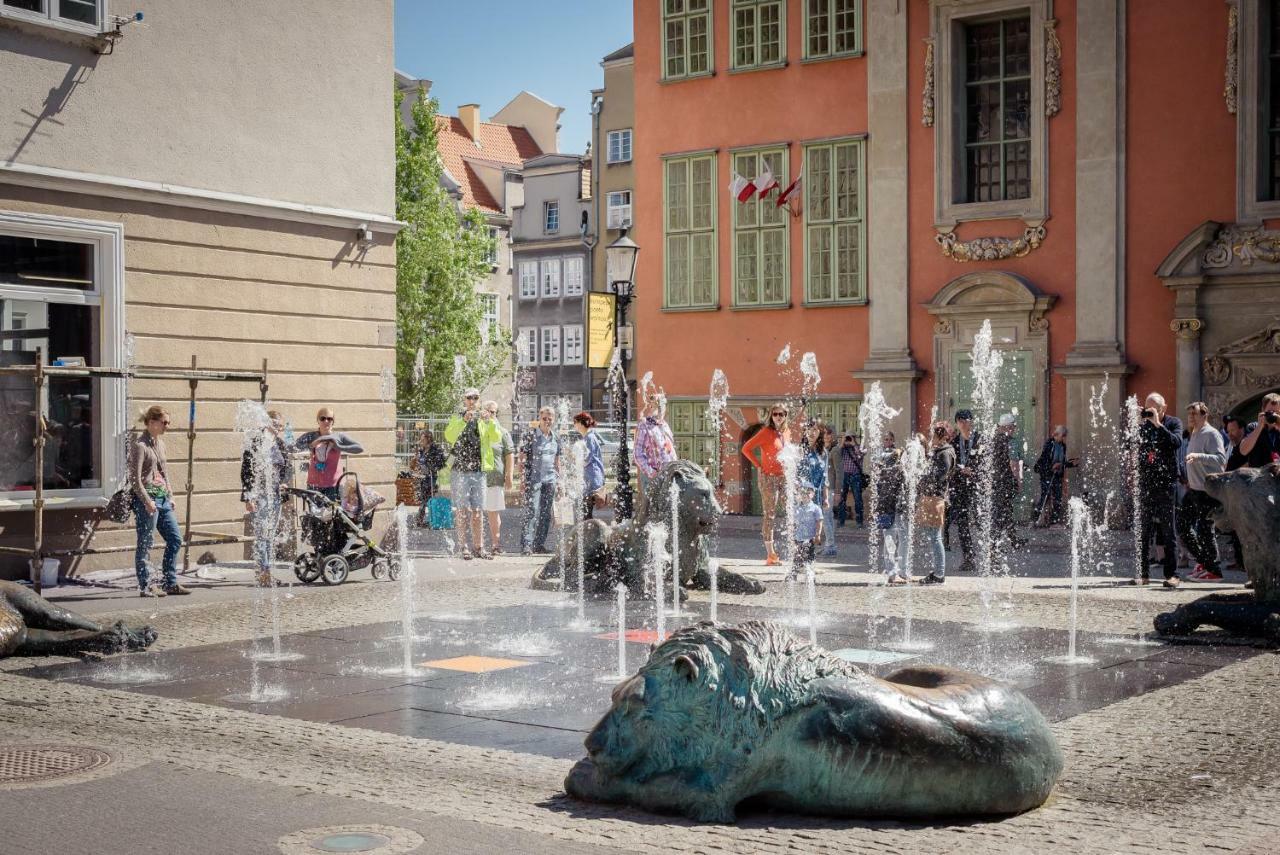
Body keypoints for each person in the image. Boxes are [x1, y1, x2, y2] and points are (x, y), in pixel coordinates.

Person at [129, 406, 188, 597]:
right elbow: (135, 479)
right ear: (152, 423)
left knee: (175, 539)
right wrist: (147, 501)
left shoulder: (160, 444)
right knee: (146, 543)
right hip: (148, 499)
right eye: (164, 422)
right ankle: (145, 586)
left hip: (162, 498)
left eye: (168, 422)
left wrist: (170, 494)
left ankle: (169, 582)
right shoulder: (140, 445)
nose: (167, 426)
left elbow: (164, 471)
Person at [444, 388, 500, 560]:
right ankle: (463, 546)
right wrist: (462, 421)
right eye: (469, 398)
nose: (472, 401)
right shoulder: (457, 416)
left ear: (479, 400)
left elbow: (496, 437)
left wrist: (490, 421)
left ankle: (479, 547)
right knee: (462, 511)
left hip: (478, 471)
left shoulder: (485, 418)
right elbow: (449, 436)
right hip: (460, 471)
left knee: (477, 511)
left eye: (475, 398)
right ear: (464, 400)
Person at [1135, 393, 1184, 587]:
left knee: (1168, 529)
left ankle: (1172, 574)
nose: (1149, 412)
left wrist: (1158, 424)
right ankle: (1143, 574)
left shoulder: (1173, 423)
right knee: (1144, 529)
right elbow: (1133, 445)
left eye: (1153, 408)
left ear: (1163, 407)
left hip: (1166, 483)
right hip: (1147, 482)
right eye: (1147, 408)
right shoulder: (1144, 426)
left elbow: (1176, 442)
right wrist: (1135, 423)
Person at [241, 409, 292, 587]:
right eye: (274, 424)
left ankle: (266, 571)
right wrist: (248, 498)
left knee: (269, 535)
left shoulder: (280, 444)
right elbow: (246, 472)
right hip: (260, 496)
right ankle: (263, 572)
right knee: (263, 534)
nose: (277, 428)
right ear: (266, 424)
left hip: (276, 496)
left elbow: (286, 468)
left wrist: (284, 482)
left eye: (280, 425)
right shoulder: (255, 442)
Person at [1180, 402, 1228, 582]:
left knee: (1205, 530)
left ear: (1204, 415)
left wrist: (1199, 457)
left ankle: (1214, 570)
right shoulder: (1194, 433)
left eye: (1194, 414)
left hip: (1206, 491)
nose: (1191, 417)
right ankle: (1204, 562)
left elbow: (1220, 460)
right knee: (1183, 526)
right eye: (1189, 414)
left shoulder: (1212, 434)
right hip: (1193, 489)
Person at [741, 404, 790, 565]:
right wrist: (759, 466)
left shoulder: (785, 432)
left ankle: (796, 548)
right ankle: (771, 555)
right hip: (768, 478)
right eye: (775, 414)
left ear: (785, 416)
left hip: (783, 477)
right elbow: (746, 449)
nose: (778, 417)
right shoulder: (765, 432)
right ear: (771, 416)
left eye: (781, 414)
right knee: (770, 514)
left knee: (792, 510)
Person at [294, 408, 364, 501]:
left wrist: (338, 447)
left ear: (333, 422)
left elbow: (359, 448)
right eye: (322, 418)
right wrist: (311, 445)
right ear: (318, 421)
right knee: (314, 515)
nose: (326, 421)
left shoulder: (339, 437)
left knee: (333, 514)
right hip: (313, 485)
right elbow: (293, 447)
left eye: (329, 419)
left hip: (334, 486)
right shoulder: (311, 436)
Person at [519, 406, 561, 555]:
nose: (547, 421)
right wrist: (523, 481)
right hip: (534, 479)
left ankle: (539, 544)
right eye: (544, 418)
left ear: (554, 420)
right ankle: (527, 545)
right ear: (539, 418)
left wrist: (559, 481)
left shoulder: (556, 437)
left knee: (545, 514)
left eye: (550, 419)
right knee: (532, 511)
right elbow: (522, 460)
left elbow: (557, 461)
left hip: (550, 480)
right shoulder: (530, 436)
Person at [919, 422, 955, 585]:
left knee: (935, 537)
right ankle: (938, 571)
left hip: (936, 498)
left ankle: (939, 573)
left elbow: (941, 475)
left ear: (941, 437)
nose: (931, 438)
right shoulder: (940, 452)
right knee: (934, 536)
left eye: (933, 435)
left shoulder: (945, 453)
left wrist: (924, 479)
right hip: (932, 496)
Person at [949, 410, 982, 573]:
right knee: (962, 524)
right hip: (960, 488)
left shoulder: (980, 439)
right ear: (957, 423)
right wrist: (959, 470)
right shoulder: (954, 442)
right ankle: (968, 558)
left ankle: (991, 557)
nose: (963, 423)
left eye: (966, 420)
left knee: (982, 522)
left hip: (977, 487)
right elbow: (951, 465)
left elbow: (987, 463)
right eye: (960, 420)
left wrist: (974, 470)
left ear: (972, 422)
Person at [874, 432, 908, 585]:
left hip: (888, 507)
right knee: (894, 539)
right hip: (892, 507)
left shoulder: (883, 469)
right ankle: (893, 571)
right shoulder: (898, 469)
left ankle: (892, 572)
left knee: (890, 539)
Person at [480, 400, 515, 554]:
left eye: (493, 412)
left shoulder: (502, 432)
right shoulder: (477, 429)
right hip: (477, 476)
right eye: (487, 410)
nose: (489, 414)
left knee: (493, 512)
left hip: (494, 477)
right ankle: (478, 545)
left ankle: (495, 544)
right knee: (476, 513)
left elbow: (509, 455)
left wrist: (509, 476)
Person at [633, 395, 677, 515]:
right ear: (651, 406)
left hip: (668, 475)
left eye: (662, 406)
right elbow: (637, 454)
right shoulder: (644, 425)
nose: (661, 409)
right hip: (652, 476)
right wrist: (652, 473)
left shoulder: (665, 425)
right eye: (657, 405)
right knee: (652, 512)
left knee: (667, 512)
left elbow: (670, 449)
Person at [1032, 426, 1076, 527]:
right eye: (1063, 436)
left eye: (1065, 436)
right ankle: (1035, 519)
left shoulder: (1063, 446)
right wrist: (1052, 467)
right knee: (1045, 497)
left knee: (1057, 498)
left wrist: (1070, 464)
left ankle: (1054, 522)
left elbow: (1061, 462)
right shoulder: (1049, 444)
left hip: (1057, 475)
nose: (1064, 438)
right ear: (1056, 435)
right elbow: (1045, 460)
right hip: (1047, 475)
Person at [409, 430, 447, 527]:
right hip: (423, 477)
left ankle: (427, 520)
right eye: (420, 440)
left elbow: (441, 463)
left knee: (427, 499)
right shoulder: (422, 450)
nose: (421, 441)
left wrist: (431, 466)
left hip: (432, 478)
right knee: (424, 499)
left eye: (423, 440)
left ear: (428, 439)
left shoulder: (435, 449)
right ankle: (425, 520)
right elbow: (419, 463)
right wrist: (416, 462)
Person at [573, 411, 606, 519]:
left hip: (591, 479)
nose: (574, 425)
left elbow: (587, 459)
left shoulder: (589, 438)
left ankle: (590, 534)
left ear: (581, 423)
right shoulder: (588, 438)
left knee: (585, 513)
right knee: (586, 512)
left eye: (575, 422)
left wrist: (573, 457)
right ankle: (589, 533)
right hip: (591, 478)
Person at [788, 484, 824, 582]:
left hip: (810, 537)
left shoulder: (815, 508)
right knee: (797, 556)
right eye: (803, 493)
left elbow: (819, 522)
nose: (805, 495)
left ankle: (810, 575)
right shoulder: (797, 508)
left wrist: (818, 535)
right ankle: (793, 574)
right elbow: (793, 523)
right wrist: (791, 535)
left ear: (813, 494)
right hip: (798, 537)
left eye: (808, 493)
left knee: (809, 557)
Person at [1239, 392, 1280, 467]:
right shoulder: (1253, 427)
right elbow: (1243, 451)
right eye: (1270, 412)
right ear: (1263, 410)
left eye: (1277, 413)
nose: (1273, 416)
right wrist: (1259, 426)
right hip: (1259, 475)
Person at [832, 432, 864, 527]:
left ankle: (859, 521)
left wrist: (854, 444)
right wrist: (842, 442)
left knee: (858, 499)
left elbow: (860, 455)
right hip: (844, 475)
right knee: (842, 499)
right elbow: (836, 454)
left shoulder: (860, 447)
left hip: (855, 475)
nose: (849, 439)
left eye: (851, 437)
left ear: (854, 438)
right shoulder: (842, 448)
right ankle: (841, 521)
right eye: (848, 438)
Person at [818, 425, 839, 556]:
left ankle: (830, 545)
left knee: (825, 517)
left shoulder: (835, 450)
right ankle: (829, 544)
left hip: (830, 488)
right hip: (822, 487)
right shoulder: (821, 449)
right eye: (824, 433)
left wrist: (838, 491)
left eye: (829, 433)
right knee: (828, 518)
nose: (826, 436)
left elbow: (839, 472)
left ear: (833, 436)